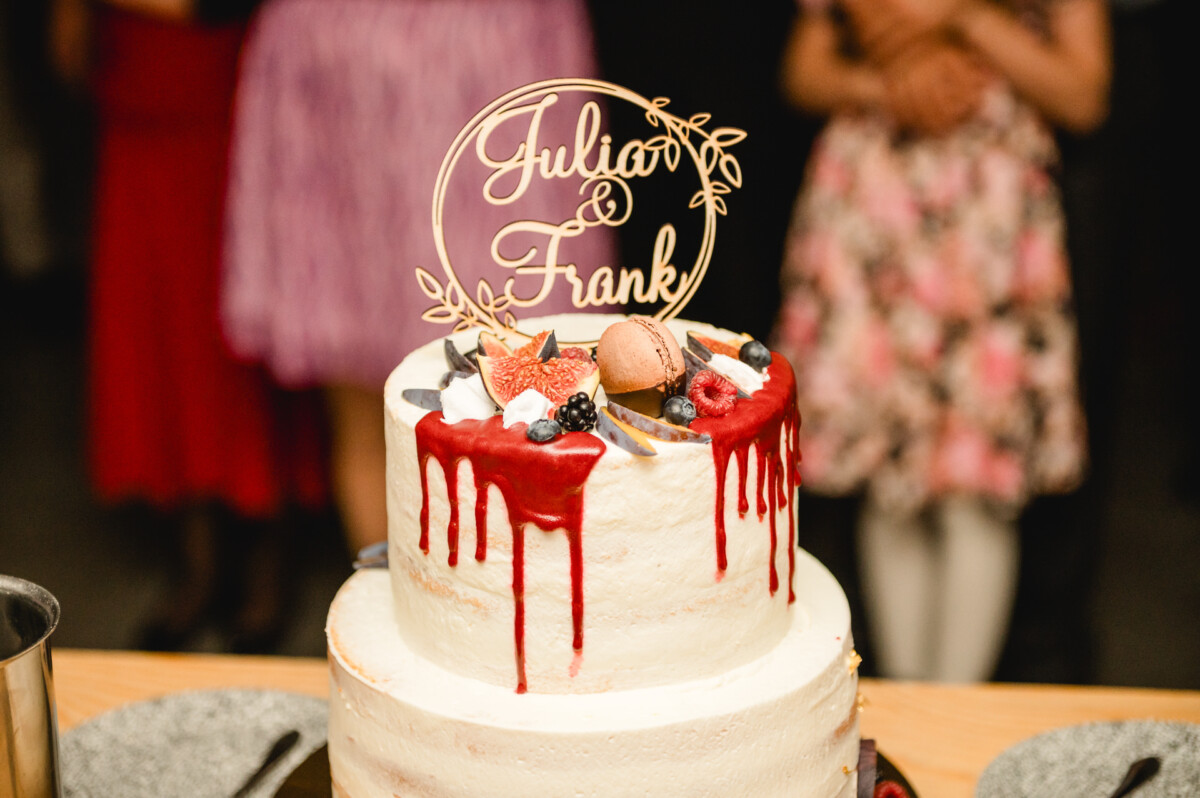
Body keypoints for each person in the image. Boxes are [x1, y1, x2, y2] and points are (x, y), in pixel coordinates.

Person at [770, 0, 1110, 682]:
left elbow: (1084, 93)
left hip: (988, 216)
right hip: (874, 206)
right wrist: (885, 85)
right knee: (889, 476)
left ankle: (955, 704)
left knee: (975, 486)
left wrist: (965, 18)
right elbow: (802, 71)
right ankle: (909, 711)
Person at [221, 0, 614, 557]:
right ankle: (405, 616)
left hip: (473, 67)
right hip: (353, 70)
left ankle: (510, 616)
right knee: (372, 411)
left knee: (528, 400)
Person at [50, 0, 327, 653]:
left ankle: (269, 568)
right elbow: (68, 55)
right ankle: (200, 569)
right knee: (161, 340)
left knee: (243, 346)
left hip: (237, 92)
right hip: (139, 99)